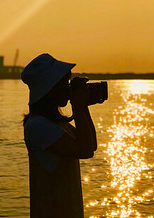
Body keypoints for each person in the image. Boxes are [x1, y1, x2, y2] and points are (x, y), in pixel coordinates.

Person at [21, 53, 98, 218]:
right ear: (50, 88)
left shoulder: (56, 124)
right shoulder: (38, 126)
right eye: (64, 83)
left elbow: (91, 145)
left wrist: (83, 106)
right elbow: (85, 150)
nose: (68, 88)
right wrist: (78, 105)